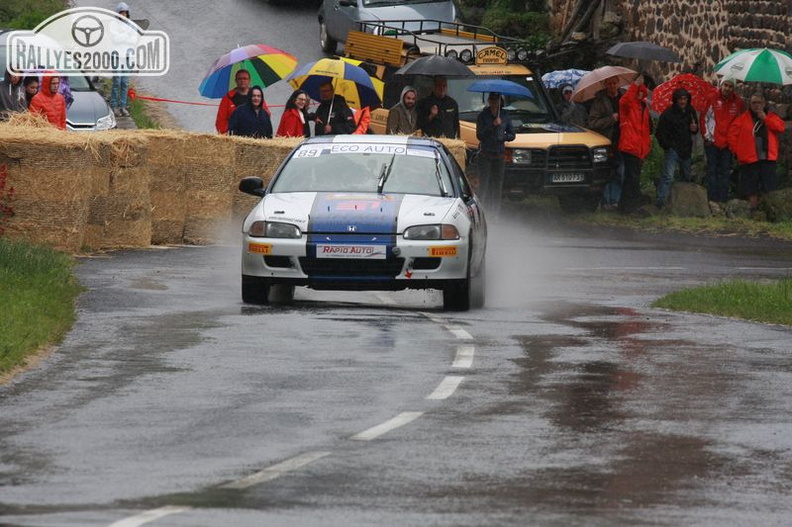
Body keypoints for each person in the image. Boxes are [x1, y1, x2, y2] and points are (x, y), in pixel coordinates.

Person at [727, 93, 785, 210]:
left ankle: (768, 211)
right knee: (750, 188)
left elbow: (780, 128)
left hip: (768, 158)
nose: (756, 105)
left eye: (759, 102)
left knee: (769, 187)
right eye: (754, 102)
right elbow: (732, 136)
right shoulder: (742, 118)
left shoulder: (771, 116)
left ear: (764, 104)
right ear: (750, 104)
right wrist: (737, 152)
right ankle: (752, 212)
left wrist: (765, 118)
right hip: (749, 159)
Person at [700, 75, 744, 203]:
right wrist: (706, 137)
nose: (728, 88)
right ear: (721, 85)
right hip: (713, 141)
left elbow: (739, 123)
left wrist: (734, 142)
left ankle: (723, 200)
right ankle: (712, 200)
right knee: (712, 170)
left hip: (728, 144)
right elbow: (704, 118)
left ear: (733, 88)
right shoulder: (711, 98)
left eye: (730, 86)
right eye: (726, 85)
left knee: (725, 172)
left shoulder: (738, 102)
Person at [655, 88, 698, 208]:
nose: (683, 101)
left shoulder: (690, 111)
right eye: (680, 99)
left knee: (686, 177)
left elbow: (695, 129)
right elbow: (660, 132)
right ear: (676, 100)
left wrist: (694, 129)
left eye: (685, 99)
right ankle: (661, 200)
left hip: (686, 148)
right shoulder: (668, 113)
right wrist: (667, 145)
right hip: (673, 149)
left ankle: (683, 203)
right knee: (668, 176)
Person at [476, 92, 516, 218]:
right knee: (484, 185)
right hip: (486, 154)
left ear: (500, 101)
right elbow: (480, 135)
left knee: (497, 186)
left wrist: (503, 137)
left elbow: (512, 134)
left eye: (496, 99)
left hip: (499, 155)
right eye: (492, 99)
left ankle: (495, 213)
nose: (494, 102)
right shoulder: (483, 116)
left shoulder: (505, 115)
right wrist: (492, 125)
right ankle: (481, 211)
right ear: (488, 101)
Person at [588, 76, 624, 209]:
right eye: (609, 83)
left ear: (618, 84)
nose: (612, 86)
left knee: (620, 172)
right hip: (606, 142)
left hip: (622, 141)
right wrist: (611, 119)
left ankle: (616, 200)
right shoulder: (599, 101)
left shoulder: (623, 98)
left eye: (614, 83)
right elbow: (592, 123)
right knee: (606, 172)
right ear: (605, 85)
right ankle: (606, 201)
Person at [617, 75, 652, 214]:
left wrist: (645, 150)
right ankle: (629, 206)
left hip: (637, 147)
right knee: (632, 178)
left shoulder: (642, 105)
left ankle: (625, 206)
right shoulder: (630, 104)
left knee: (631, 178)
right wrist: (635, 85)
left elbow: (645, 130)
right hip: (630, 146)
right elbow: (623, 102)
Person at [215, 68, 270, 134]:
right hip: (234, 137)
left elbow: (266, 115)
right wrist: (227, 134)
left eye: (245, 78)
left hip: (254, 136)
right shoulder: (227, 98)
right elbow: (221, 120)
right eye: (239, 78)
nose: (242, 80)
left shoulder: (257, 96)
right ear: (235, 81)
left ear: (249, 81)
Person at [110, 2, 131, 117]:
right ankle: (114, 105)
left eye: (125, 13)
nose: (123, 14)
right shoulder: (113, 25)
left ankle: (123, 106)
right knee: (117, 81)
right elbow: (116, 39)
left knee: (125, 83)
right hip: (116, 56)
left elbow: (133, 40)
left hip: (127, 57)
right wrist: (125, 36)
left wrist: (123, 36)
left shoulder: (130, 25)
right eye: (121, 12)